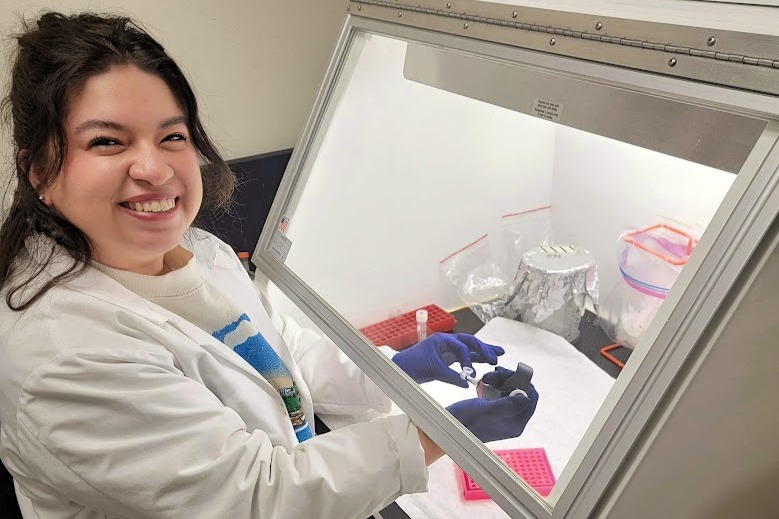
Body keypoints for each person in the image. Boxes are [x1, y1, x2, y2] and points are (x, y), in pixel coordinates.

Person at [0, 11, 538, 519]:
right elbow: (260, 496)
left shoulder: (194, 250)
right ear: (40, 171)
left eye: (172, 136)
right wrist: (440, 434)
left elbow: (277, 355)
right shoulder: (65, 356)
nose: (155, 169)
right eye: (106, 141)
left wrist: (394, 371)